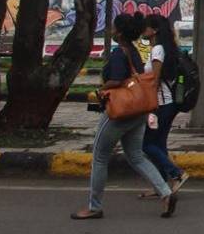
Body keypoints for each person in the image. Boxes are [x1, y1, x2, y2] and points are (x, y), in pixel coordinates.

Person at [71, 12, 178, 220]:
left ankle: (94, 206)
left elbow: (118, 79)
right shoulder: (134, 52)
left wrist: (102, 89)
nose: (111, 31)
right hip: (138, 112)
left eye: (113, 28)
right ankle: (165, 192)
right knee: (136, 156)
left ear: (119, 33)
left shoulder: (119, 53)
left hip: (119, 112)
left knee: (99, 158)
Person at [139, 14, 190, 195]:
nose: (142, 30)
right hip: (168, 103)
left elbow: (155, 80)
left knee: (147, 145)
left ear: (154, 30)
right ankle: (161, 186)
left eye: (145, 27)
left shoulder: (158, 50)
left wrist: (151, 106)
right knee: (159, 144)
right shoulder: (166, 48)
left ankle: (177, 173)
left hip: (161, 104)